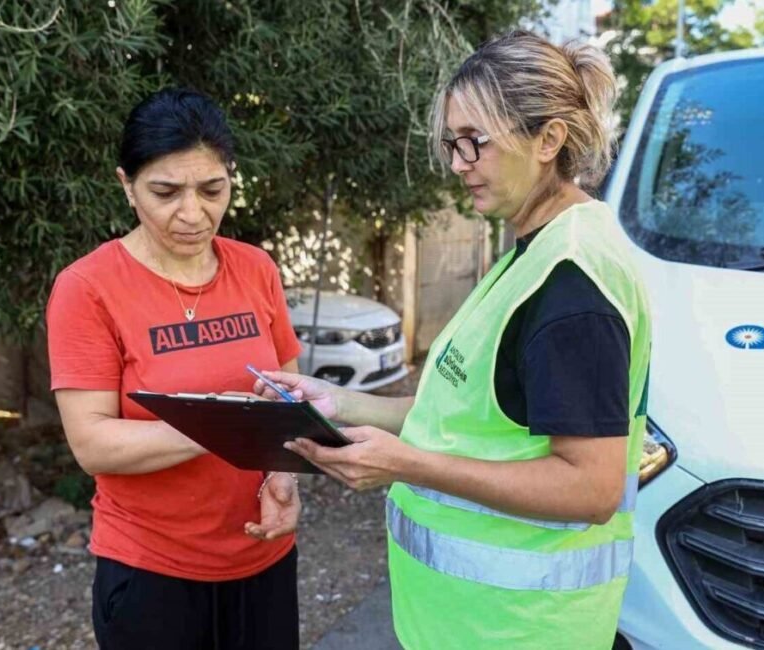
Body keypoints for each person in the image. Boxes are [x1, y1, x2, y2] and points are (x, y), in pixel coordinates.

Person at [257, 31, 651, 649]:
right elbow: (461, 416)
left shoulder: (573, 286)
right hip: (466, 624)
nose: (458, 163)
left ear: (548, 140)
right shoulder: (528, 256)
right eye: (450, 144)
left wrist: (404, 465)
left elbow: (591, 488)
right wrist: (330, 402)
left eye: (475, 142)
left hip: (520, 632)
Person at [47, 87, 303, 649]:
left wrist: (280, 473)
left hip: (263, 557)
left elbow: (287, 394)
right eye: (165, 192)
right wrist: (229, 425)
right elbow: (93, 445)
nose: (193, 214)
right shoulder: (87, 288)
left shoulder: (255, 268)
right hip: (151, 572)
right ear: (126, 187)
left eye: (213, 189)